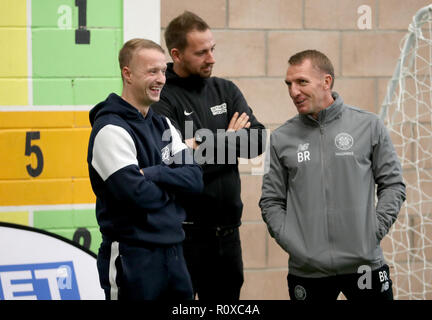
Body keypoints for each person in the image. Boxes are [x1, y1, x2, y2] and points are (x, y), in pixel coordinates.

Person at [259, 49, 406, 301]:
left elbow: (393, 184)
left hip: (364, 266)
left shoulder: (368, 126)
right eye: (289, 84)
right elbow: (270, 201)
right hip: (307, 271)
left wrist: (373, 230)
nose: (293, 91)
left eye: (301, 82)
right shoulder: (282, 138)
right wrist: (296, 244)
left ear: (326, 82)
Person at [152, 11, 266, 300]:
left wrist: (199, 145)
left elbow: (257, 141)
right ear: (176, 54)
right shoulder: (162, 96)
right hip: (183, 236)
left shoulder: (225, 90)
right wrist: (229, 140)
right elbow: (173, 160)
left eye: (212, 49)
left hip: (227, 234)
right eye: (201, 52)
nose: (211, 58)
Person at [87, 38, 203, 300]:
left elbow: (195, 180)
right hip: (133, 257)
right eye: (152, 71)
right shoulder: (110, 129)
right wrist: (175, 193)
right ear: (127, 74)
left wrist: (155, 173)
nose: (161, 79)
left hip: (173, 252)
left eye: (163, 70)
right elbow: (137, 195)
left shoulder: (164, 125)